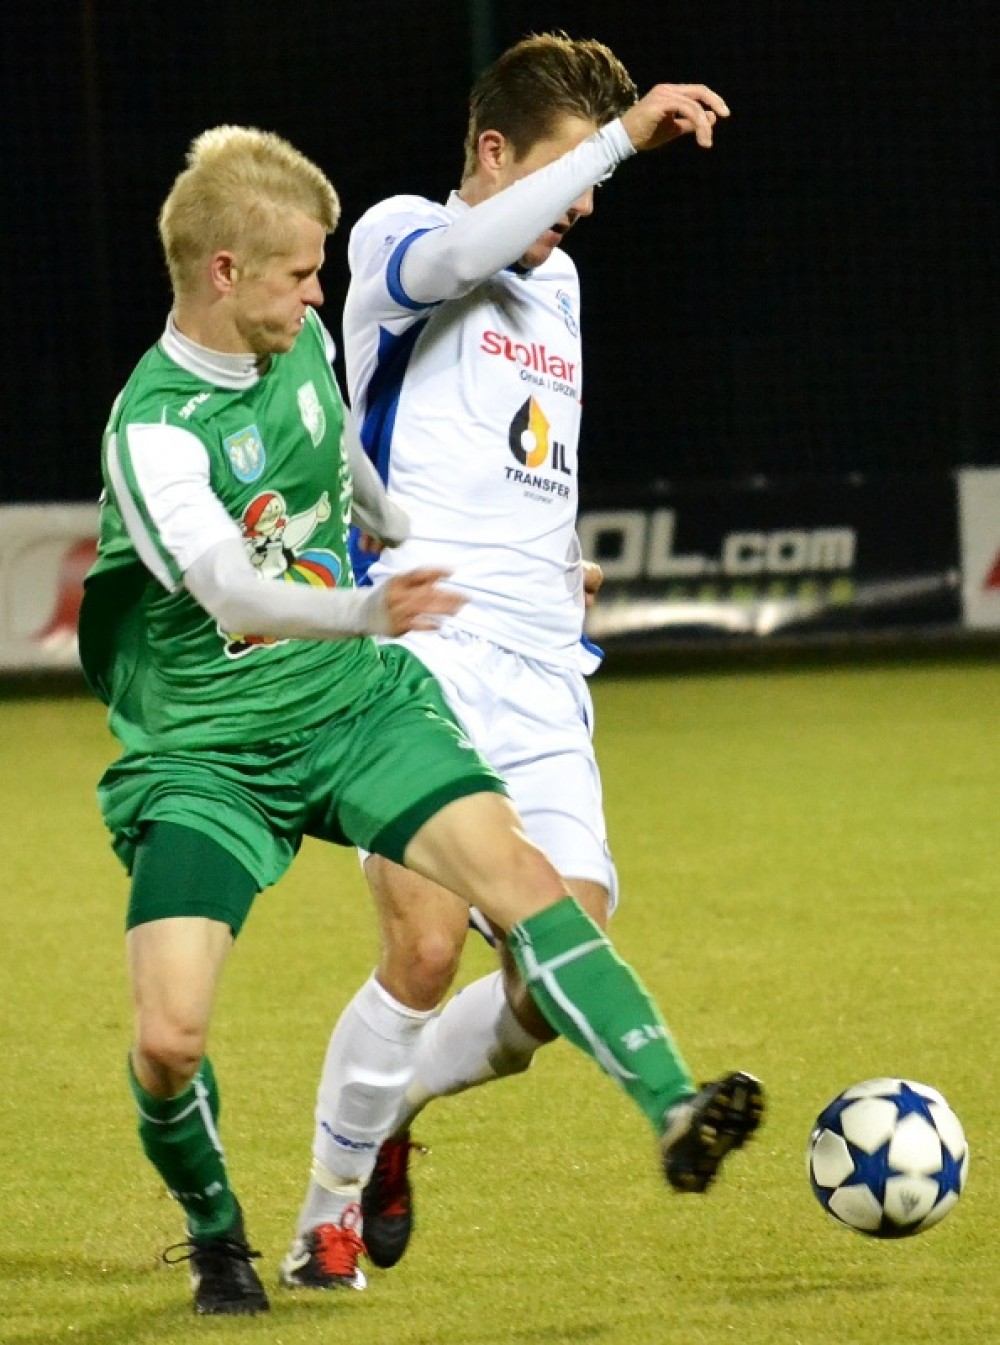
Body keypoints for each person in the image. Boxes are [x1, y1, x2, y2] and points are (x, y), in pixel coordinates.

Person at [80, 120, 761, 1320]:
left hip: (351, 705)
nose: (321, 295)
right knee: (170, 1040)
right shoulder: (153, 428)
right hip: (205, 753)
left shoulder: (295, 347)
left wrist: (466, 552)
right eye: (302, 273)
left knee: (522, 886)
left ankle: (671, 1102)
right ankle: (219, 1234)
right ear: (225, 272)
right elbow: (230, 593)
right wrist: (366, 606)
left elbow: (348, 469)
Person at [282, 34, 763, 1294]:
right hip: (421, 653)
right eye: (566, 170)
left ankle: (386, 1110)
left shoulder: (563, 291)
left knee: (557, 969)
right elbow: (459, 257)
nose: (585, 202)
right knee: (425, 948)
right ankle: (324, 1219)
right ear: (493, 153)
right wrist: (619, 139)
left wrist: (558, 561)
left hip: (541, 664)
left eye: (593, 176)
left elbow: (524, 451)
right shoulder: (400, 235)